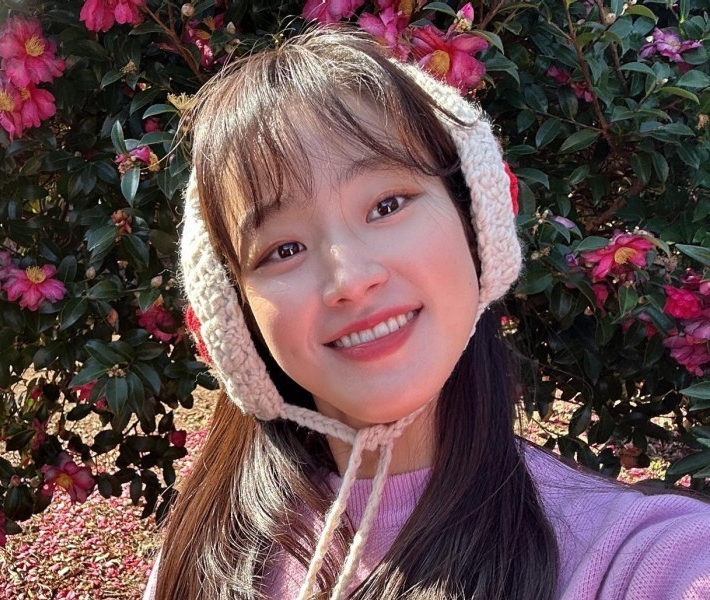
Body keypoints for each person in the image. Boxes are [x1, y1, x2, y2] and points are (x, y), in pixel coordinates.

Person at [145, 28, 710, 600]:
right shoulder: (201, 558)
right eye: (283, 249)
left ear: (475, 222)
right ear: (236, 316)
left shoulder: (641, 559)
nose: (350, 280)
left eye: (386, 205)